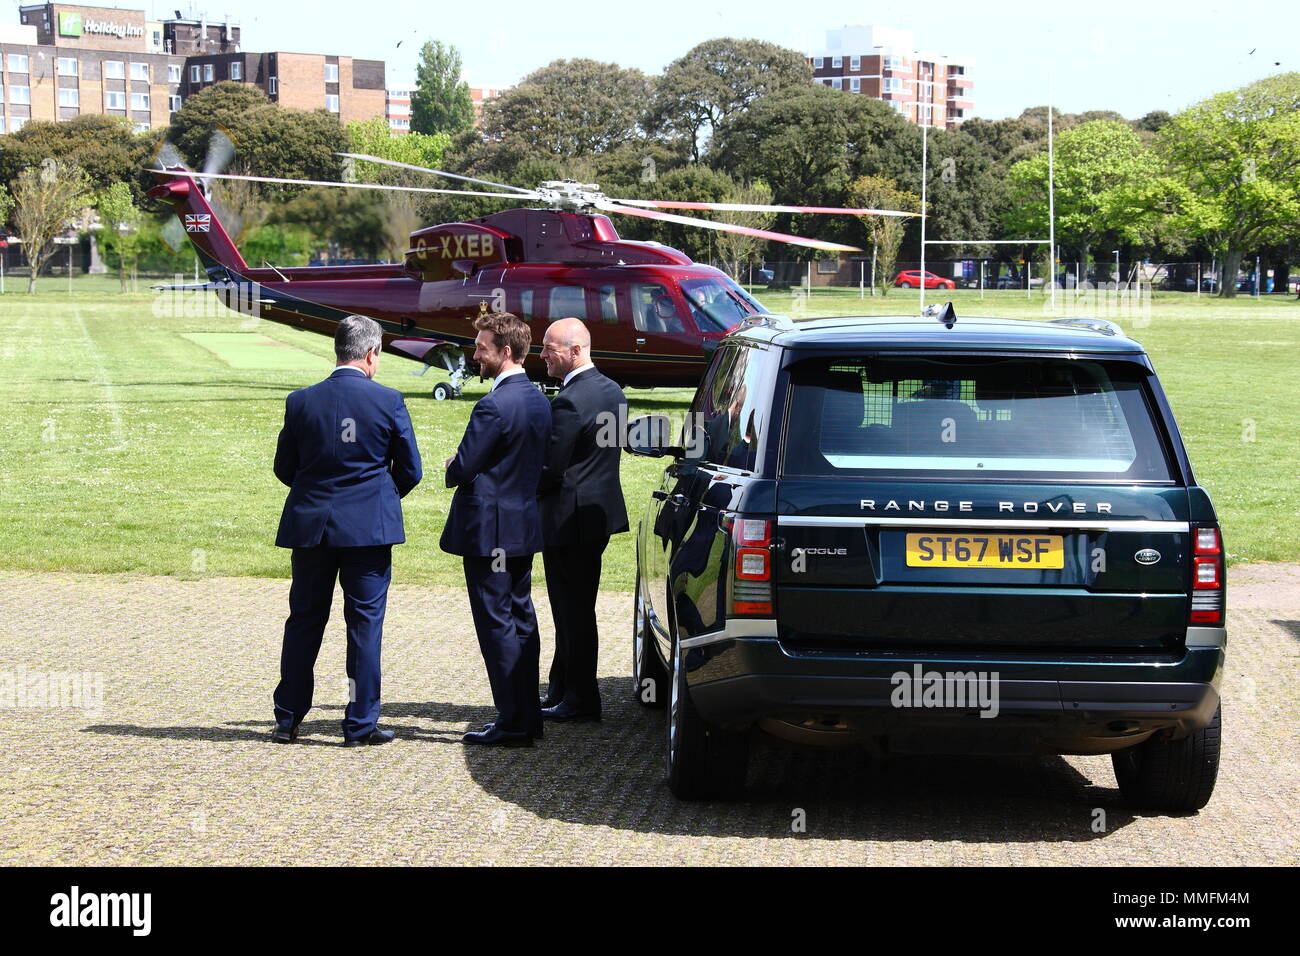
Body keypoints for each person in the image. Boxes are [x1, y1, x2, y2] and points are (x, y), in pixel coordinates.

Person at [271, 314, 422, 746]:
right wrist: (379, 497)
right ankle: (359, 724)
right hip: (368, 531)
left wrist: (317, 491)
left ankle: (288, 718)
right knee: (364, 626)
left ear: (338, 350)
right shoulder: (388, 401)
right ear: (372, 353)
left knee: (304, 620)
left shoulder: (301, 401)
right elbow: (410, 469)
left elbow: (285, 468)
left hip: (312, 528)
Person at [441, 312, 552, 747]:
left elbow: (465, 465)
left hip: (490, 532)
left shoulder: (493, 405)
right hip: (522, 526)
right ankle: (528, 714)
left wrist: (454, 465)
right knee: (521, 618)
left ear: (505, 352)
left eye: (482, 348)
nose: (475, 355)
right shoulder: (539, 400)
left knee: (497, 624)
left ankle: (513, 721)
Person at [537, 318, 629, 722]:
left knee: (571, 611)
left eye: (549, 349)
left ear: (576, 351)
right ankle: (562, 687)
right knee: (576, 607)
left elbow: (551, 469)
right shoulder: (613, 391)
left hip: (568, 521)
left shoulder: (569, 401)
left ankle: (580, 698)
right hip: (598, 516)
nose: (542, 356)